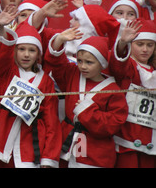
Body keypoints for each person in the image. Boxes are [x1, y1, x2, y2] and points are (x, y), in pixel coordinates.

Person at [0, 9, 61, 168]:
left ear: (38, 55)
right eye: (21, 49)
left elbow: (52, 121)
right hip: (5, 145)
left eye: (32, 50)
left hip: (33, 146)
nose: (26, 55)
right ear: (13, 51)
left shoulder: (46, 81)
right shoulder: (6, 72)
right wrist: (0, 28)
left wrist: (49, 157)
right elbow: (0, 56)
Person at [45, 30, 128, 167]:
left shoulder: (113, 90)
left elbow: (114, 122)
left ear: (101, 64)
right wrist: (59, 40)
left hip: (95, 151)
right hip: (67, 142)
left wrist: (87, 111)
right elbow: (56, 63)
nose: (83, 66)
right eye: (79, 61)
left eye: (89, 62)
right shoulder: (72, 73)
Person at [109, 19, 156, 168]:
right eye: (140, 44)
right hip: (126, 136)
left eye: (150, 45)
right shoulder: (129, 65)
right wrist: (122, 43)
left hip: (150, 137)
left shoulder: (153, 70)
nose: (145, 50)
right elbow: (117, 67)